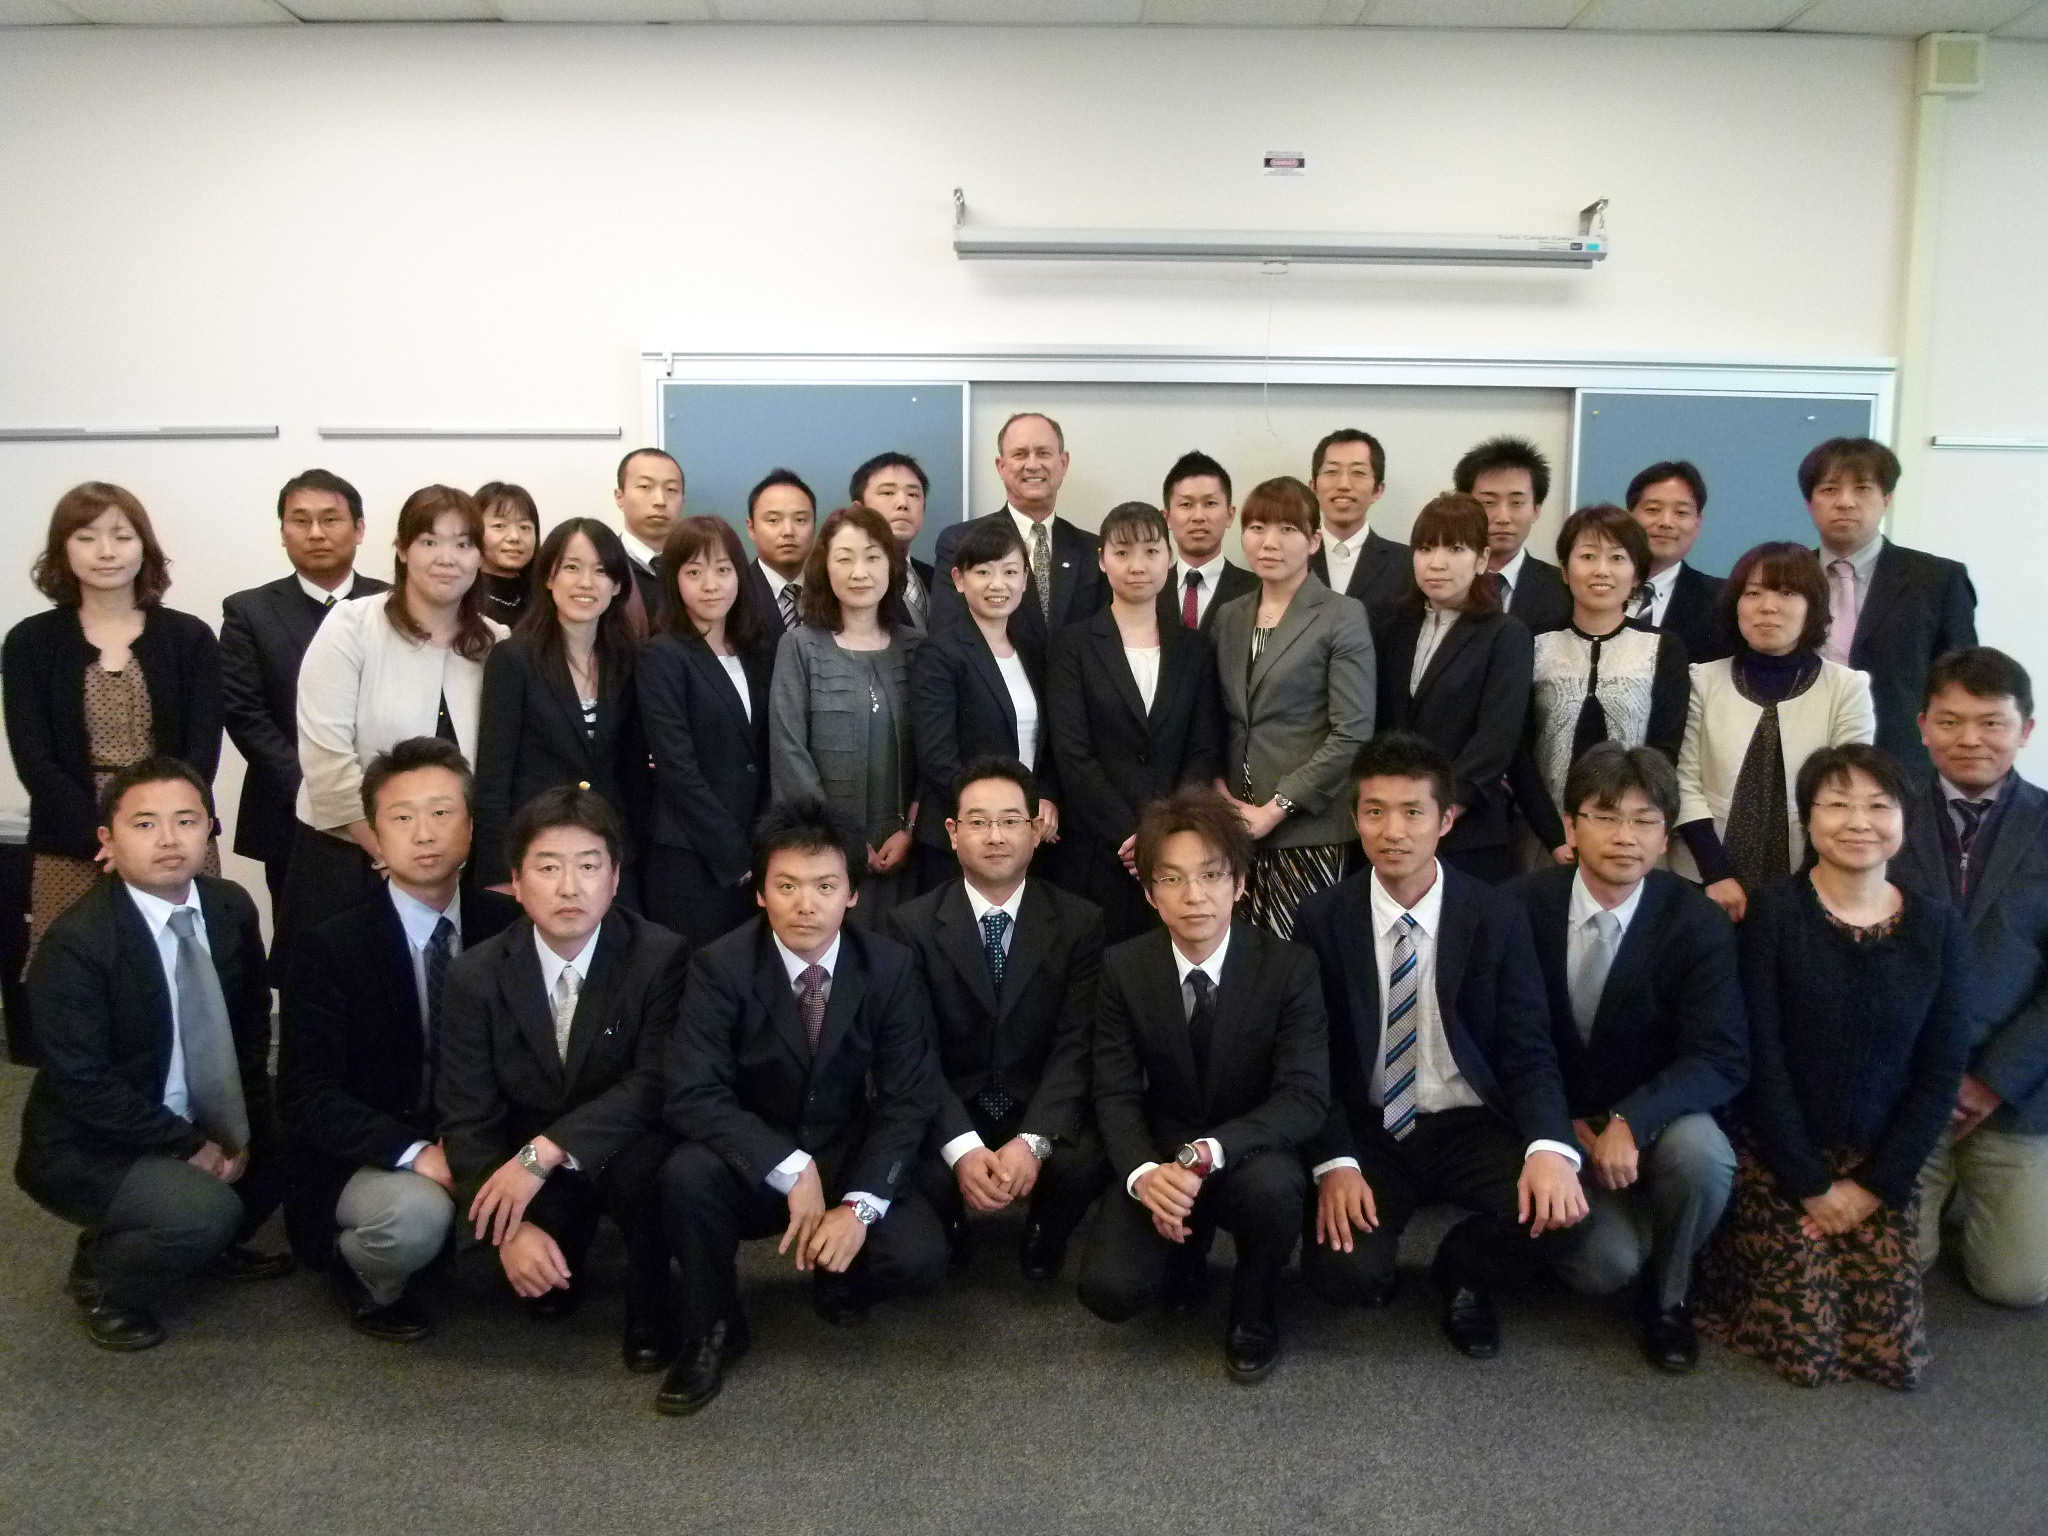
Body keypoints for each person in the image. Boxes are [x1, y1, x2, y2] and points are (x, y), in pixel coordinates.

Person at [1296, 732, 1587, 1360]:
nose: (1393, 831)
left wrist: (1549, 1146)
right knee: (1342, 1276)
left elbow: (1528, 1047)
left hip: (1470, 1124)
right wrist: (1335, 1161)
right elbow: (1312, 1058)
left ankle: (1464, 1269)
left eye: (1413, 812)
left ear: (1446, 819)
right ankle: (1376, 1253)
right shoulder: (1323, 917)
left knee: (1565, 1216)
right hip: (1374, 1128)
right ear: (1355, 818)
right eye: (1375, 811)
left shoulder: (1495, 914)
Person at [657, 798, 946, 1416]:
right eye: (786, 886)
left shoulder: (888, 967)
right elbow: (693, 1092)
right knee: (686, 1175)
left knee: (918, 1256)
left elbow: (908, 1097)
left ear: (852, 895)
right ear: (761, 893)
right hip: (755, 1153)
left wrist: (859, 1207)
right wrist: (788, 1165)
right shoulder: (719, 966)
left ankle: (840, 1273)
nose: (805, 904)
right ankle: (712, 1328)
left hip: (844, 1147)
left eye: (825, 886)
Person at [1697, 744, 1971, 1390]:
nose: (1859, 822)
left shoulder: (1937, 927)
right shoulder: (1772, 913)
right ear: (1808, 818)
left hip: (1879, 1157)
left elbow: (1940, 1072)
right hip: (1780, 1152)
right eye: (1837, 804)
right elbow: (1760, 1059)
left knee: (1889, 1351)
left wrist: (1874, 1185)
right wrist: (1811, 1184)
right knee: (1808, 1343)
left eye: (1879, 806)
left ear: (1904, 819)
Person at [14, 758, 291, 1352]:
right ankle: (104, 1280)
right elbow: (83, 1083)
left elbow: (248, 1027)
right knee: (203, 1211)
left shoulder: (230, 906)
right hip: (96, 1138)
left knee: (299, 1133)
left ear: (209, 828)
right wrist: (191, 1146)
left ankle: (211, 1244)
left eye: (186, 821)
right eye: (144, 824)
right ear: (107, 841)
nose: (169, 839)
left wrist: (242, 1124)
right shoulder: (77, 943)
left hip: (201, 1108)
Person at [1508, 744, 1747, 1373]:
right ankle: (1624, 1229)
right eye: (1606, 816)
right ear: (1570, 826)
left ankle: (1668, 1298)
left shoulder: (1696, 921)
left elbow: (1721, 1055)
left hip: (1653, 1115)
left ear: (1666, 837)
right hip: (1550, 1118)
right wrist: (1558, 1129)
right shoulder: (1518, 908)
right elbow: (1503, 1040)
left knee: (1703, 1155)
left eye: (1644, 821)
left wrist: (1631, 1121)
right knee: (1604, 1267)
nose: (1625, 837)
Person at [1078, 787, 1329, 1384]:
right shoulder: (1124, 968)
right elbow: (1114, 1091)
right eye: (1172, 879)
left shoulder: (1289, 968)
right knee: (1110, 1290)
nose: (1194, 896)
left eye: (1211, 875)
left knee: (1276, 1190)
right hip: (1163, 1149)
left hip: (1248, 1150)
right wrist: (1145, 1176)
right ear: (1149, 892)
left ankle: (1254, 1302)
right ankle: (1185, 1254)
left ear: (1239, 883)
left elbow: (1304, 1096)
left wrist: (1210, 1152)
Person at [436, 785, 690, 1371]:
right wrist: (510, 1230)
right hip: (527, 1148)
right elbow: (466, 1112)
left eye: (588, 867)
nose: (569, 887)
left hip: (623, 1144)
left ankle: (651, 1304)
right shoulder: (475, 975)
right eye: (548, 868)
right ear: (516, 883)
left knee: (657, 1172)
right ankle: (553, 1245)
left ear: (615, 878)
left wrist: (547, 1151)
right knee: (498, 1279)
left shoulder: (660, 956)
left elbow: (656, 1081)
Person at [278, 737, 518, 1341]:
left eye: (441, 812)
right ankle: (365, 1277)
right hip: (371, 1153)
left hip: (479, 1135)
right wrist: (415, 1153)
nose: (425, 833)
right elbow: (307, 1097)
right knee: (414, 1220)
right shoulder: (331, 945)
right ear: (375, 836)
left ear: (471, 826)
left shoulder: (509, 928)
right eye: (402, 818)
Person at [885, 757, 1106, 1280]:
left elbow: (1078, 1044)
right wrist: (962, 1148)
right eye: (978, 822)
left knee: (1086, 1158)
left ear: (1035, 830)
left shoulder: (1080, 921)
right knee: (915, 1157)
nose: (995, 836)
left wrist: (1034, 1140)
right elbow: (913, 1051)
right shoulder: (910, 926)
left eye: (1010, 821)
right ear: (952, 832)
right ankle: (951, 1228)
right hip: (953, 1100)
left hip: (1035, 1098)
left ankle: (1045, 1231)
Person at [5, 483, 224, 971]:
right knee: (72, 972)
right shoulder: (29, 642)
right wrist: (107, 840)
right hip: (72, 837)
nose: (106, 551)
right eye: (86, 538)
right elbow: (34, 760)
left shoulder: (189, 636)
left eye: (122, 536)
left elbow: (202, 751)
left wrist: (154, 830)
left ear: (144, 546)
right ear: (62, 550)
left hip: (174, 832)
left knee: (182, 967)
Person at [285, 485, 505, 951]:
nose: (447, 558)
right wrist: (392, 852)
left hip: (457, 869)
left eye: (463, 544)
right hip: (349, 857)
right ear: (403, 550)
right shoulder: (352, 625)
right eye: (429, 541)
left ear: (479, 558)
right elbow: (325, 758)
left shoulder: (496, 643)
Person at [1898, 648, 2048, 1310]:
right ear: (1923, 726)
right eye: (1951, 721)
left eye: (1991, 723)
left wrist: (1992, 1081)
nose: (1970, 740)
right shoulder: (1879, 816)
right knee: (1898, 1264)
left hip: (2013, 1092)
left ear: (2026, 730)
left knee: (2017, 1286)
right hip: (1906, 1083)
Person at [1048, 502, 1224, 943]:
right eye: (1122, 553)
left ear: (1169, 557)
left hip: (1178, 854)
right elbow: (1073, 754)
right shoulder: (1073, 645)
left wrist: (1166, 834)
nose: (1137, 566)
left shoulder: (1194, 648)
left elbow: (1203, 748)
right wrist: (1133, 835)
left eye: (1150, 551)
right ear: (1102, 559)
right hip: (1098, 851)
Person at [1674, 542, 1876, 921]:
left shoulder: (1847, 688)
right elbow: (1683, 780)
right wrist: (1716, 873)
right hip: (1704, 876)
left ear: (1813, 606)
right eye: (1753, 593)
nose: (1768, 607)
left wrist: (1810, 882)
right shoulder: (1701, 680)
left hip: (1810, 879)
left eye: (1787, 593)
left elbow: (1847, 791)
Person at [1211, 476, 1377, 939]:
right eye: (1257, 527)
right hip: (1232, 826)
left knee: (1297, 955)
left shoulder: (1341, 614)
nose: (1269, 542)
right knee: (1237, 955)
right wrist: (1221, 796)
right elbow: (1216, 716)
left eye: (1287, 529)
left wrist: (1276, 808)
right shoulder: (1230, 615)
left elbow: (1353, 732)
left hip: (1306, 828)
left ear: (1314, 541)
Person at [220, 470, 389, 911]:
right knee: (302, 939)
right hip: (289, 809)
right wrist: (318, 787)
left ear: (359, 529)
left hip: (388, 807)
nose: (316, 532)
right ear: (283, 533)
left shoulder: (394, 604)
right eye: (300, 520)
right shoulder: (249, 611)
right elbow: (245, 714)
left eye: (330, 519)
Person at [474, 518, 649, 893]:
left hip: (609, 856)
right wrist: (498, 874)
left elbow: (633, 774)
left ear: (617, 584)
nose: (586, 582)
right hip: (538, 856)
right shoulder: (513, 659)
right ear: (548, 578)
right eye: (571, 567)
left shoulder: (629, 660)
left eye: (600, 571)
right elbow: (494, 778)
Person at [768, 504, 921, 923]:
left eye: (872, 557)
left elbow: (934, 748)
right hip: (823, 855)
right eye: (844, 558)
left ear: (891, 566)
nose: (860, 572)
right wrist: (842, 839)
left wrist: (910, 830)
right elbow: (788, 751)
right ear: (824, 567)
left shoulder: (916, 647)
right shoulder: (799, 647)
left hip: (905, 850)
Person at [1511, 504, 1690, 862]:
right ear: (1565, 571)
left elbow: (1664, 750)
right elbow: (1518, 750)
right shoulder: (1534, 643)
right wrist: (1554, 833)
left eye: (1617, 558)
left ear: (1636, 574)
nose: (1601, 570)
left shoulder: (1662, 648)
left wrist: (1620, 826)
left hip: (1630, 836)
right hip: (1543, 835)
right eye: (1588, 556)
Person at [1376, 493, 1534, 885]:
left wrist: (1437, 814)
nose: (1437, 562)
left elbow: (1496, 740)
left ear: (1482, 559)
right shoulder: (1391, 626)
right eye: (1425, 548)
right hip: (1391, 830)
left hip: (1467, 831)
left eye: (1455, 549)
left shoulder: (1505, 634)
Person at [1802, 437, 1976, 784]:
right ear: (1810, 503)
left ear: (1886, 499)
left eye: (1862, 488)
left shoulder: (1937, 579)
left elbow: (1962, 683)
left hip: (1904, 767)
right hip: (1801, 759)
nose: (1845, 502)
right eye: (1830, 489)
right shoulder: (1786, 579)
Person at [638, 515, 778, 948]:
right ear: (674, 581)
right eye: (694, 572)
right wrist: (734, 854)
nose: (711, 585)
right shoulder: (662, 655)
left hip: (757, 851)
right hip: (691, 857)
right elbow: (677, 768)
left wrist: (762, 845)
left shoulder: (757, 650)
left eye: (723, 569)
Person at [911, 514, 1060, 893]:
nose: (998, 584)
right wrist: (1002, 813)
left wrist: (1043, 797)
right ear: (959, 580)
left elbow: (1045, 745)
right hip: (959, 838)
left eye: (1010, 572)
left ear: (1024, 580)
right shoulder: (940, 653)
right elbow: (937, 757)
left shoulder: (1031, 650)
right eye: (983, 572)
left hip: (1025, 835)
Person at [930, 412, 1104, 652]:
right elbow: (947, 638)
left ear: (1063, 463)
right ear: (1001, 466)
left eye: (1043, 453)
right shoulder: (960, 541)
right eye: (1020, 454)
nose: (1032, 465)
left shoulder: (1092, 550)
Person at [1454, 434, 1572, 635]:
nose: (1503, 517)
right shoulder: (1442, 579)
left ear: (1536, 510)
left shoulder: (1563, 588)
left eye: (1517, 503)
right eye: (1488, 502)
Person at [1625, 460, 1730, 664]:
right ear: (1628, 518)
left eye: (1681, 513)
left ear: (1697, 525)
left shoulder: (1724, 601)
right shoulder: (1589, 589)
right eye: (1653, 509)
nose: (1666, 522)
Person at [1307, 428, 1409, 630]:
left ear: (1378, 490)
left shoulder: (1407, 565)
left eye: (1358, 473)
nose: (1344, 484)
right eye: (1331, 471)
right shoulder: (1292, 558)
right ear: (1313, 487)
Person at [1157, 450, 1255, 636]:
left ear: (1229, 515)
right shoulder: (1150, 590)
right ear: (1167, 518)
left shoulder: (1257, 590)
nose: (1198, 516)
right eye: (1186, 504)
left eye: (1210, 503)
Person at [852, 451, 935, 631]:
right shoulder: (848, 578)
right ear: (858, 510)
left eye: (913, 494)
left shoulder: (936, 577)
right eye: (888, 492)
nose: (903, 503)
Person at [743, 467, 818, 634]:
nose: (788, 531)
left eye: (800, 520)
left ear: (814, 525)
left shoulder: (831, 591)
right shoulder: (735, 593)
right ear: (751, 528)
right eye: (773, 520)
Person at [614, 447, 685, 616]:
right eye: (645, 486)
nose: (660, 501)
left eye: (671, 489)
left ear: (683, 501)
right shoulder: (604, 566)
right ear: (620, 497)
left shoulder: (694, 568)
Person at [474, 481, 540, 628]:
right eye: (499, 526)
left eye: (524, 527)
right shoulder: (460, 598)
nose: (514, 537)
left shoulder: (546, 597)